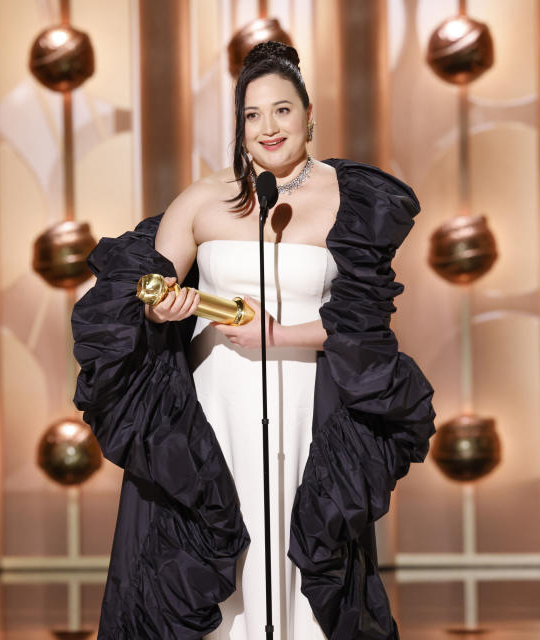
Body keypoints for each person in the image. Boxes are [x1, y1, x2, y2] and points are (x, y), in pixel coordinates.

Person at [72, 41, 435, 640]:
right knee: (221, 545)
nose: (268, 127)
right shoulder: (201, 200)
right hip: (216, 406)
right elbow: (141, 295)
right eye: (252, 115)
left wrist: (278, 333)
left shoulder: (351, 200)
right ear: (239, 126)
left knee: (297, 545)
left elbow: (362, 327)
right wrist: (164, 311)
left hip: (304, 402)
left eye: (282, 110)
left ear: (309, 113)